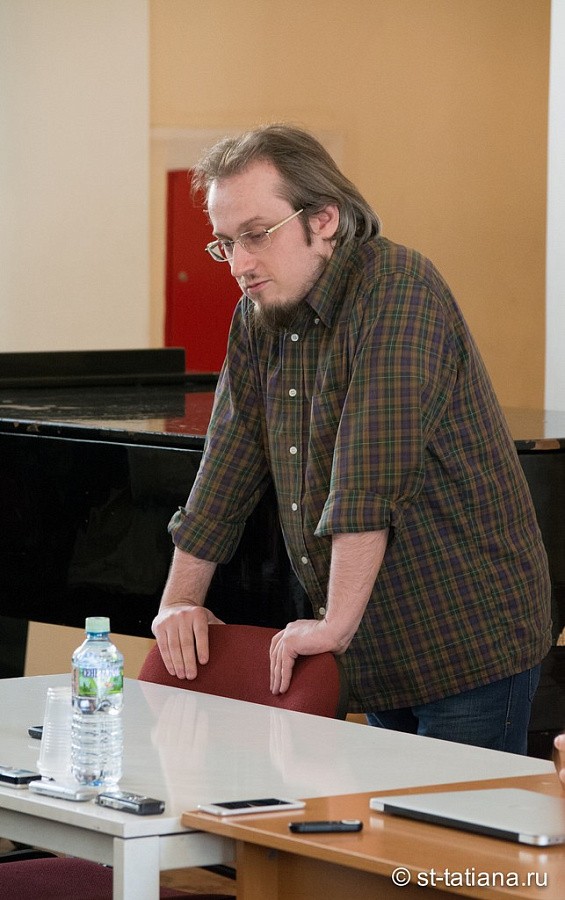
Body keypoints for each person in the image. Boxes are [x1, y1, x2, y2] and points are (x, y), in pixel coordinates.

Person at [152, 123, 552, 753]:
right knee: (386, 820)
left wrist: (333, 625)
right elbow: (225, 466)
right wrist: (178, 602)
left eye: (257, 234)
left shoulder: (397, 289)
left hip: (468, 638)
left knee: (450, 821)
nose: (240, 264)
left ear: (325, 219)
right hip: (376, 642)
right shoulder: (257, 316)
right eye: (225, 243)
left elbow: (367, 478)